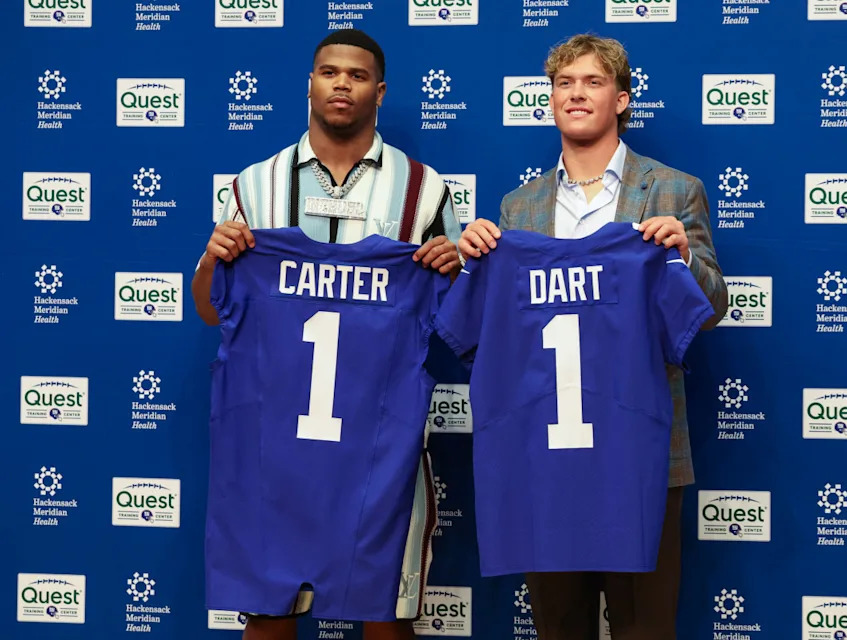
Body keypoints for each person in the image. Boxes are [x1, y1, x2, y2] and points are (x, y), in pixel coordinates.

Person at [191, 29, 462, 640]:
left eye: (358, 75)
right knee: (268, 619)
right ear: (310, 84)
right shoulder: (255, 185)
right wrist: (213, 259)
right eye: (329, 72)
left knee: (386, 619)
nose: (342, 84)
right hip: (274, 449)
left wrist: (454, 270)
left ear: (380, 91)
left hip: (380, 447)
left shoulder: (425, 190)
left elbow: (455, 322)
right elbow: (213, 310)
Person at [457, 34, 728, 640]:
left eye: (593, 82)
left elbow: (710, 310)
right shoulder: (516, 209)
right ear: (550, 99)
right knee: (560, 626)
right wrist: (477, 262)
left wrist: (683, 258)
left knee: (644, 627)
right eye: (564, 83)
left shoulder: (673, 190)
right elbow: (490, 336)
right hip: (548, 452)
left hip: (642, 453)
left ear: (622, 98)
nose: (576, 93)